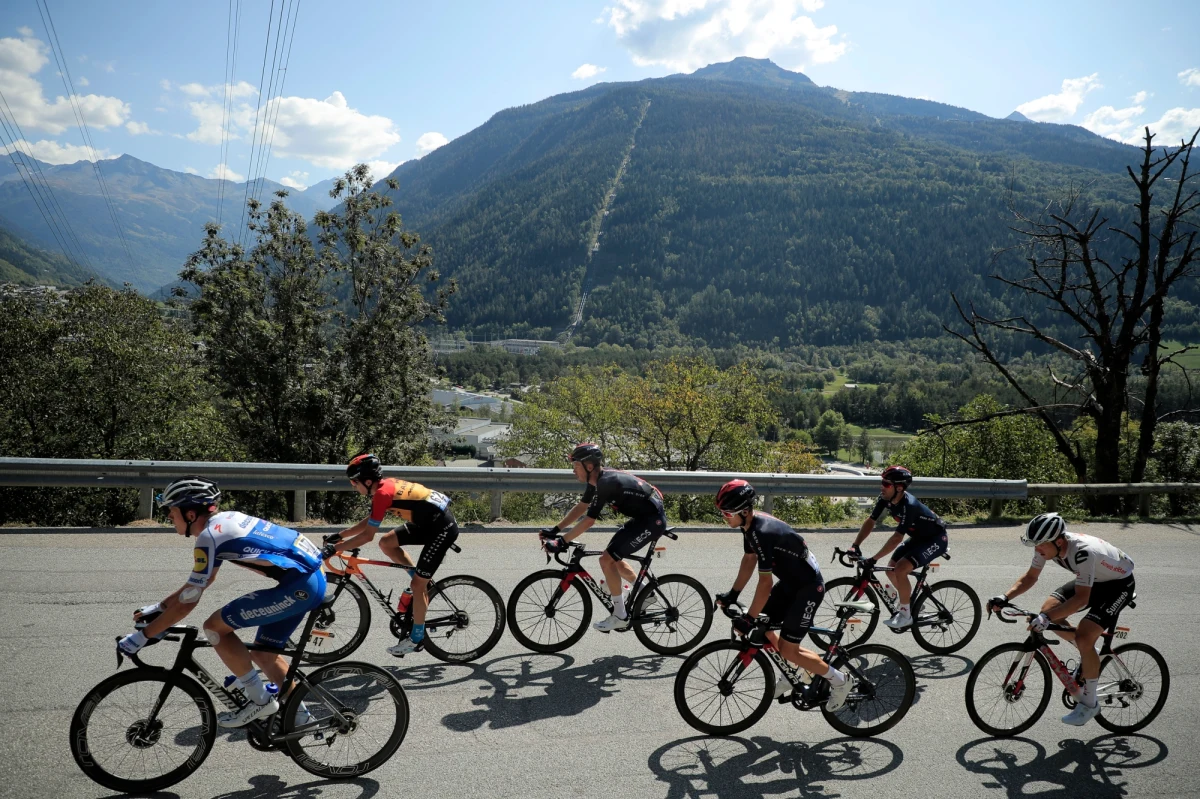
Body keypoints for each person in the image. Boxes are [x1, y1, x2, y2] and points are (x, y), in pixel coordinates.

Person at [117, 476, 326, 728]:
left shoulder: (208, 538)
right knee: (263, 653)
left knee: (215, 628)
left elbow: (188, 601)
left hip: (299, 587)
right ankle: (301, 718)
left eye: (172, 512)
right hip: (309, 579)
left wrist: (143, 636)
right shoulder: (222, 522)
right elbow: (201, 582)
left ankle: (260, 701)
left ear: (190, 513)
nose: (169, 518)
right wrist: (160, 608)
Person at [712, 479, 851, 711]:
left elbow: (765, 584)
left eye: (727, 513)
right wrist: (732, 595)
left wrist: (748, 619)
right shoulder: (749, 527)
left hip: (808, 588)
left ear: (744, 511)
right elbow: (749, 559)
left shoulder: (762, 533)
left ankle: (841, 680)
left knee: (788, 648)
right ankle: (797, 671)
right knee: (762, 626)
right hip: (791, 582)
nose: (724, 517)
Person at [988, 512, 1136, 726]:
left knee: (1083, 634)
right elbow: (1030, 577)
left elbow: (1081, 598)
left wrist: (1046, 618)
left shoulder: (1083, 552)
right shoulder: (1047, 545)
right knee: (1049, 609)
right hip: (1096, 579)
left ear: (1058, 541)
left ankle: (1089, 704)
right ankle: (1089, 656)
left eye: (1040, 546)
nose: (1037, 551)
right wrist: (1005, 597)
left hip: (1119, 585)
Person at [323, 453, 459, 657]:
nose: (353, 486)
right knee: (387, 543)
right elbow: (371, 520)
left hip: (442, 528)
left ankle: (416, 639)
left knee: (417, 586)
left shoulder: (383, 494)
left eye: (354, 482)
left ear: (367, 481)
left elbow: (367, 535)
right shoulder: (384, 487)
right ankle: (420, 580)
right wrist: (340, 536)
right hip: (428, 522)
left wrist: (335, 548)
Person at [541, 443, 667, 632]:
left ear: (588, 466)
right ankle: (644, 594)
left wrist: (561, 541)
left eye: (575, 466)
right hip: (643, 518)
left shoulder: (605, 483)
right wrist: (555, 529)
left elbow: (588, 521)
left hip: (652, 522)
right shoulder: (597, 480)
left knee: (606, 560)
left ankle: (620, 616)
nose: (573, 471)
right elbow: (581, 508)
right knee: (612, 557)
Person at [848, 465, 948, 630]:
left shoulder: (910, 506)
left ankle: (905, 615)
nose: (882, 486)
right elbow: (871, 521)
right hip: (918, 538)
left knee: (900, 569)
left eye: (886, 484)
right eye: (882, 482)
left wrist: (874, 559)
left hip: (936, 539)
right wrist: (855, 546)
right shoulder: (885, 500)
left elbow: (896, 538)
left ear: (899, 488)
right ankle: (908, 601)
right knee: (890, 569)